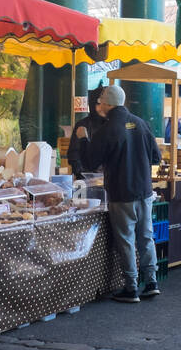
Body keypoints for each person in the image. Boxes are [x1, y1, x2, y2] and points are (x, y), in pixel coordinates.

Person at [81, 84, 164, 303]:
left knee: (126, 239)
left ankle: (131, 287)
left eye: (100, 102)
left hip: (121, 191)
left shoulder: (107, 129)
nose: (99, 106)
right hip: (145, 191)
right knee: (146, 236)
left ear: (108, 104)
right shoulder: (141, 124)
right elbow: (156, 158)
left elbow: (91, 160)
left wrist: (82, 139)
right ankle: (152, 282)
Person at [67, 86, 107, 178]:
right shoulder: (83, 124)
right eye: (100, 103)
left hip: (109, 177)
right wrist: (81, 174)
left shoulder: (112, 124)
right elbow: (74, 154)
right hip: (87, 177)